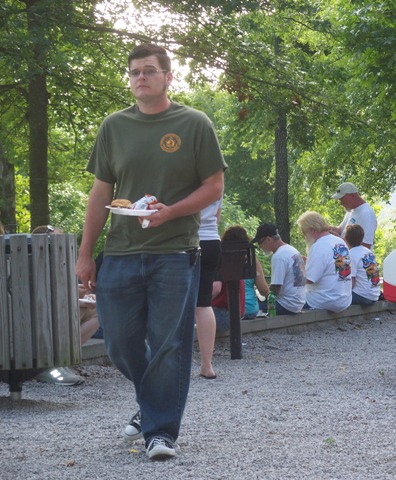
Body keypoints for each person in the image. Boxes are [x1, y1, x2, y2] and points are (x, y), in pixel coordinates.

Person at [74, 43, 226, 461]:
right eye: (135, 72)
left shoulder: (194, 123)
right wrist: (85, 254)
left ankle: (160, 433)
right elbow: (100, 193)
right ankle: (152, 399)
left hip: (175, 252)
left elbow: (214, 187)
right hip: (120, 252)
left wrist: (171, 212)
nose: (140, 77)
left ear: (168, 77)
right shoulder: (114, 126)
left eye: (149, 70)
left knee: (168, 344)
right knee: (119, 342)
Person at [32, 225, 97, 386]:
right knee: (95, 309)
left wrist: (85, 293)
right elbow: (44, 299)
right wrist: (81, 302)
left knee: (99, 310)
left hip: (57, 311)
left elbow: (62, 290)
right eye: (57, 240)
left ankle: (62, 360)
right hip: (40, 319)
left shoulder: (58, 262)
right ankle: (54, 364)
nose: (62, 244)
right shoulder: (36, 265)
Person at [296, 211, 352, 313]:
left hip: (324, 300)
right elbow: (331, 267)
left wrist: (298, 268)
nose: (304, 237)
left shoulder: (318, 246)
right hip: (344, 300)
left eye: (304, 233)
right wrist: (309, 262)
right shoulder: (340, 242)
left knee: (286, 298)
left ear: (312, 230)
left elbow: (309, 279)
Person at [251, 223, 306, 315]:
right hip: (297, 303)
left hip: (284, 305)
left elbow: (275, 289)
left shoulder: (278, 256)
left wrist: (262, 293)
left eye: (260, 243)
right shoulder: (292, 250)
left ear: (268, 239)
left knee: (251, 305)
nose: (260, 247)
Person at [195, 198, 223, 380]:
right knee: (204, 304)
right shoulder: (217, 181)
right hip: (212, 240)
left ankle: (174, 363)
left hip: (186, 241)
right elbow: (217, 216)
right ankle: (207, 365)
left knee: (178, 303)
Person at [211, 226, 249, 330]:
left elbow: (216, 288)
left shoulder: (222, 259)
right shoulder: (240, 259)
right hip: (237, 313)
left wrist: (200, 304)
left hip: (222, 314)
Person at [329, 182, 378, 249]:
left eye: (342, 199)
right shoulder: (351, 209)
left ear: (352, 195)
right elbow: (341, 230)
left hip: (354, 256)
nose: (341, 203)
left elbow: (366, 246)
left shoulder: (366, 214)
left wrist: (339, 240)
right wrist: (328, 229)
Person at [344, 224, 381, 305]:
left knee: (335, 297)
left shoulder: (351, 254)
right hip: (374, 296)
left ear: (345, 239)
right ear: (362, 238)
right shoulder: (369, 252)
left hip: (361, 296)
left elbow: (351, 282)